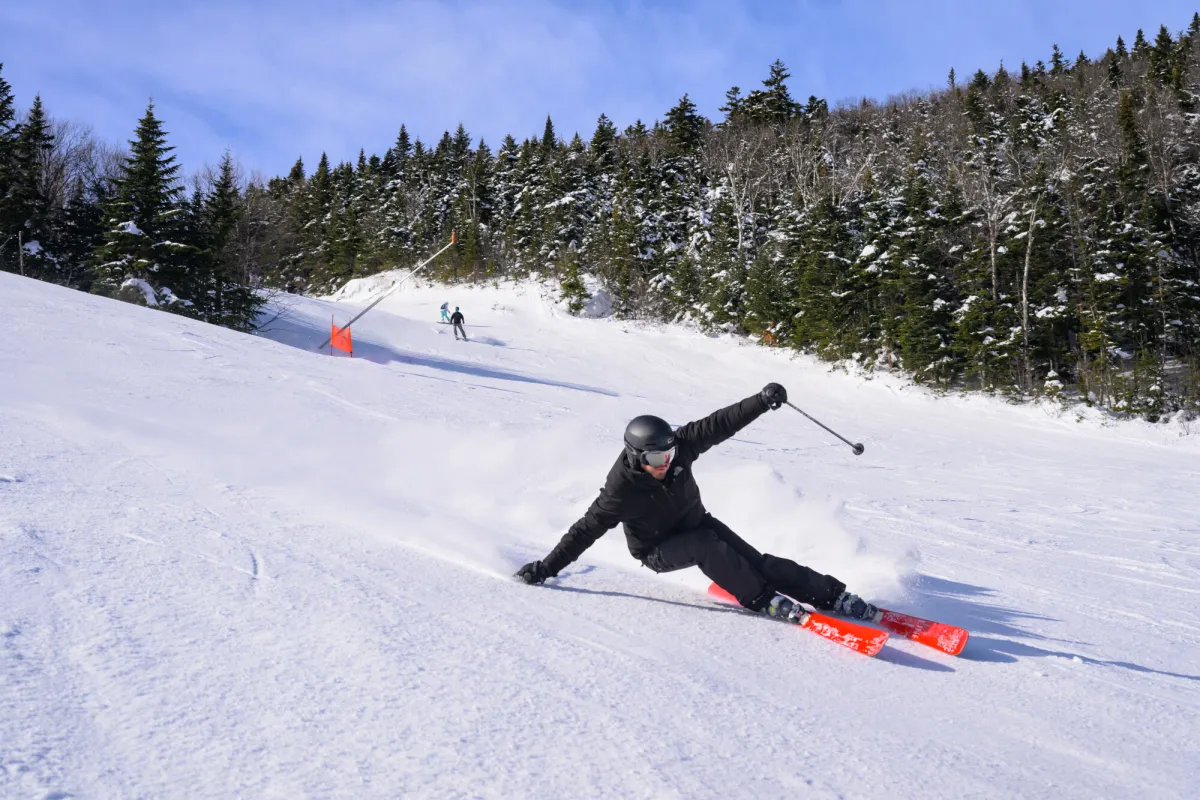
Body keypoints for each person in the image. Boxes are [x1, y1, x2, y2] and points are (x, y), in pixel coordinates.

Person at [514, 384, 879, 624]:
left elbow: (718, 424)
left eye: (671, 454)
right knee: (709, 547)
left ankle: (832, 595)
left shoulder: (677, 451)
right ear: (636, 456)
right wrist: (546, 568)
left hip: (695, 524)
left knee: (758, 562)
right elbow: (583, 532)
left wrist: (761, 401)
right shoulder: (619, 492)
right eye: (657, 459)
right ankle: (762, 598)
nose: (667, 464)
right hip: (656, 550)